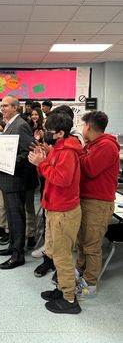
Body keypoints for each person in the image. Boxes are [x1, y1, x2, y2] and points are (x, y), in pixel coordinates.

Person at [28, 112, 82, 314]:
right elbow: (51, 171)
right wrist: (45, 157)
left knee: (62, 257)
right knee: (56, 252)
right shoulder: (59, 148)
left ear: (60, 133)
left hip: (63, 211)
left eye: (50, 132)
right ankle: (61, 289)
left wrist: (40, 163)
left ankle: (69, 299)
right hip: (55, 208)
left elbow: (62, 179)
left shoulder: (67, 152)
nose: (46, 134)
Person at [75, 111, 120, 298]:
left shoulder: (106, 146)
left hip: (98, 203)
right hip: (87, 199)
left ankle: (90, 284)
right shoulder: (92, 145)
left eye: (82, 125)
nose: (81, 128)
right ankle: (80, 271)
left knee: (92, 245)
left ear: (89, 127)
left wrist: (77, 154)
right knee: (82, 241)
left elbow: (90, 169)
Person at [0, 95, 33, 270]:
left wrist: (5, 163)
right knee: (11, 216)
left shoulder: (21, 125)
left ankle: (18, 255)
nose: (2, 108)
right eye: (1, 106)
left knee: (16, 217)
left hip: (15, 179)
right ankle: (12, 246)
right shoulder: (9, 125)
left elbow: (28, 153)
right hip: (7, 178)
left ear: (15, 108)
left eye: (5, 106)